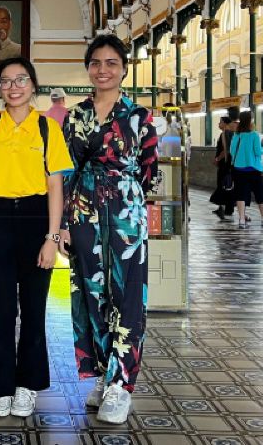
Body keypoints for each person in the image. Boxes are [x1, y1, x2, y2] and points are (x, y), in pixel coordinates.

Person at [61, 35, 158, 425]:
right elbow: (64, 172)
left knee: (127, 294)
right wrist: (64, 223)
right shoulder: (75, 116)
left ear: (124, 69)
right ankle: (104, 373)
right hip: (83, 211)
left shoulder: (140, 116)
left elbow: (149, 172)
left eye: (111, 62)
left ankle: (121, 384)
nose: (103, 70)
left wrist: (126, 198)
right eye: (96, 63)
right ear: (88, 68)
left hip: (125, 213)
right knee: (92, 292)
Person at [0, 57, 73, 418]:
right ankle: (1, 387)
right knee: (1, 307)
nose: (13, 87)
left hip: (35, 216)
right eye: (6, 81)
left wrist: (51, 237)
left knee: (33, 306)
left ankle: (27, 384)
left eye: (21, 80)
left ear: (33, 85)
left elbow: (55, 186)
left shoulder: (47, 128)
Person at [229, 111, 263, 229]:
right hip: (253, 170)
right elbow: (258, 152)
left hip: (238, 169)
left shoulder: (236, 135)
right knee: (260, 194)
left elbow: (232, 151)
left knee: (240, 195)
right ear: (250, 120)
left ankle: (241, 220)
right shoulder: (254, 135)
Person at [209, 116, 235, 221]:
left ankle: (223, 208)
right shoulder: (232, 133)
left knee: (223, 185)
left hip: (225, 165)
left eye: (220, 122)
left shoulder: (225, 133)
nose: (218, 124)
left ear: (224, 123)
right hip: (230, 164)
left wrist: (218, 159)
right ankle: (226, 208)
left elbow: (226, 150)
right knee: (228, 186)